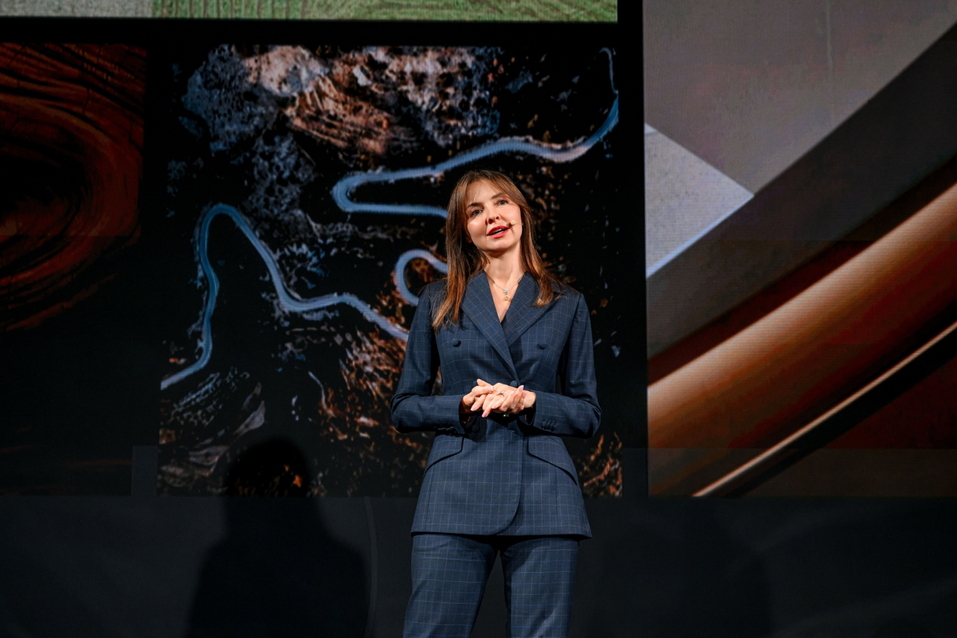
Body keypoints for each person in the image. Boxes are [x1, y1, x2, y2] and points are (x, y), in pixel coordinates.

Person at [391, 169, 601, 638]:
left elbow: (588, 413)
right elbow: (404, 406)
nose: (492, 217)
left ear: (522, 213)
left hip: (544, 494)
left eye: (501, 203)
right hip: (453, 493)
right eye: (476, 211)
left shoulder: (566, 303)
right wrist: (459, 406)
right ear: (463, 231)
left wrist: (528, 399)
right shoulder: (438, 300)